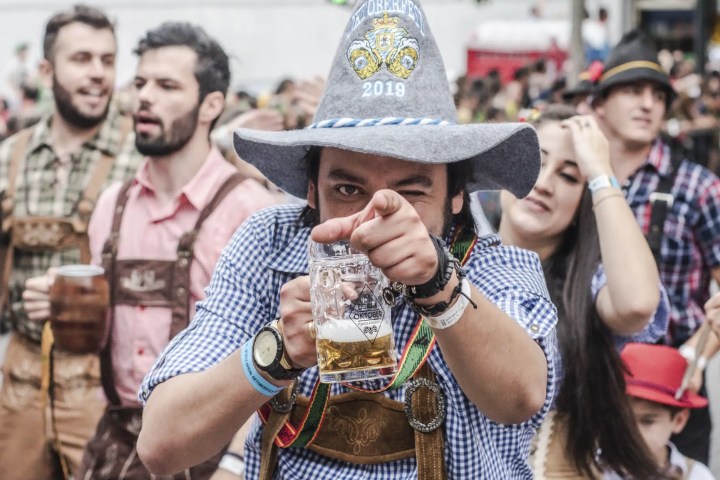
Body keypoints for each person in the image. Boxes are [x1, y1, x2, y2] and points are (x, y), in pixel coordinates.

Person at [137, 2, 558, 478]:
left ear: (456, 196)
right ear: (311, 190)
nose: (376, 214)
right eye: (348, 189)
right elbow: (161, 445)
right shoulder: (269, 243)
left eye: (410, 191)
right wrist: (276, 351)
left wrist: (438, 281)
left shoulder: (494, 265)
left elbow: (520, 399)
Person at [21, 21, 279, 479]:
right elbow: (103, 340)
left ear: (211, 105)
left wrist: (239, 462)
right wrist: (64, 308)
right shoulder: (112, 206)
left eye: (166, 86)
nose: (144, 96)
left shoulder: (251, 212)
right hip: (116, 445)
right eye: (140, 83)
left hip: (212, 455)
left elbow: (280, 356)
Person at [0, 5, 141, 479]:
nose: (98, 73)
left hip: (102, 379)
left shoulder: (141, 156)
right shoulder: (9, 158)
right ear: (46, 70)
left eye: (107, 60)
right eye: (82, 59)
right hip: (20, 373)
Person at [498, 105, 668, 478]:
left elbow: (638, 304)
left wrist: (602, 174)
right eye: (536, 162)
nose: (543, 183)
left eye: (570, 176)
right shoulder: (450, 264)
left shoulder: (588, 286)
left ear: (581, 204)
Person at [592, 29, 720, 464]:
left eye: (658, 95)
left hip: (671, 392)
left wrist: (695, 357)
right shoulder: (577, 183)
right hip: (595, 385)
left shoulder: (699, 187)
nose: (648, 103)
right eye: (631, 91)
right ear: (600, 104)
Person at [616, 343, 714, 480]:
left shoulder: (697, 476)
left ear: (679, 420)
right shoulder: (589, 470)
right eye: (622, 420)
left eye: (647, 421)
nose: (632, 432)